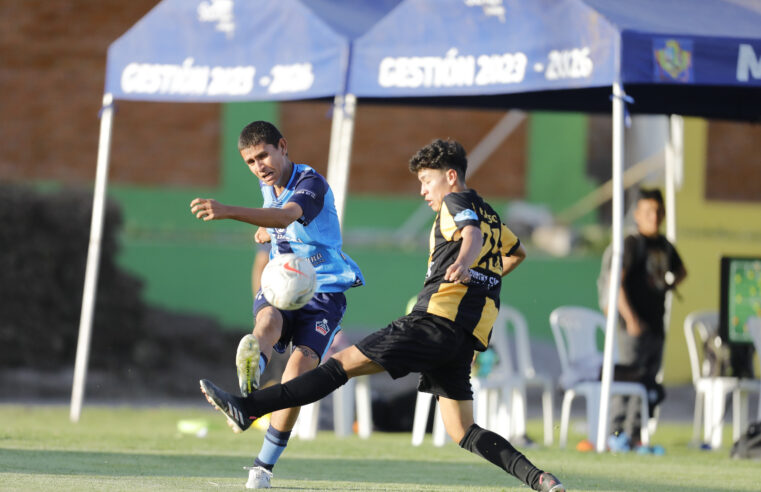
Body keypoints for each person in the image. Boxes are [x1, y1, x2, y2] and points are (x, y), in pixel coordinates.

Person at [199, 138, 566, 492]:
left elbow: (469, 235)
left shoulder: (456, 201)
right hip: (464, 340)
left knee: (338, 366)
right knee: (463, 431)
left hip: (431, 322)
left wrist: (465, 264)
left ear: (450, 176)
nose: (423, 191)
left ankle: (247, 408)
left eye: (426, 181)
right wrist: (484, 276)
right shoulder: (492, 215)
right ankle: (539, 479)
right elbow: (517, 253)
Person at [190, 120, 364, 489]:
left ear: (283, 147)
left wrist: (230, 212)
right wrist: (267, 231)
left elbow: (287, 215)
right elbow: (279, 220)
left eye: (263, 156)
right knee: (266, 323)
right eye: (250, 162)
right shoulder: (267, 183)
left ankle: (262, 467)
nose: (259, 167)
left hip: (325, 289)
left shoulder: (311, 183)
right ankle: (251, 372)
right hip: (283, 278)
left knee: (297, 375)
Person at [607, 188, 687, 451]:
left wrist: (668, 282)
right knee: (629, 381)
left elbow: (682, 270)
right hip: (634, 328)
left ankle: (636, 435)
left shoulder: (664, 245)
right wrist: (630, 319)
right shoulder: (631, 244)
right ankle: (615, 434)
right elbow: (615, 284)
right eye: (648, 211)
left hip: (656, 325)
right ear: (638, 215)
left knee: (648, 384)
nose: (654, 217)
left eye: (657, 211)